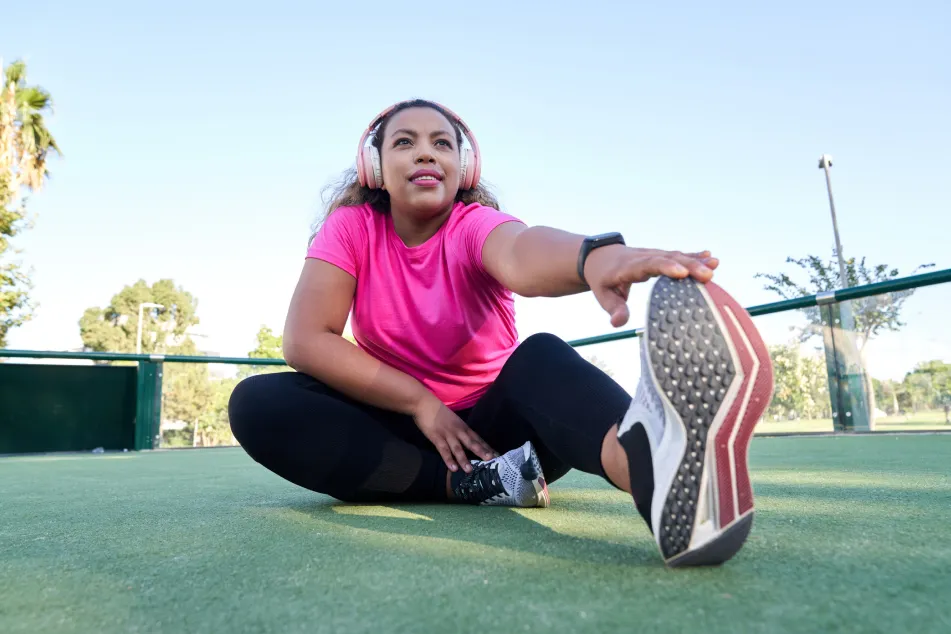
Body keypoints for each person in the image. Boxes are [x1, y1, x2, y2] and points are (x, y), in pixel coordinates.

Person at [228, 99, 774, 568]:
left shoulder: (472, 224)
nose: (425, 153)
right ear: (374, 164)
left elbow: (519, 252)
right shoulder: (351, 228)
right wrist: (419, 401)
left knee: (540, 355)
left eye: (442, 143)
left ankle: (654, 473)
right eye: (404, 142)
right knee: (259, 402)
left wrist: (595, 258)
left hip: (504, 437)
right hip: (398, 434)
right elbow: (305, 338)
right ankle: (472, 486)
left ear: (462, 166)